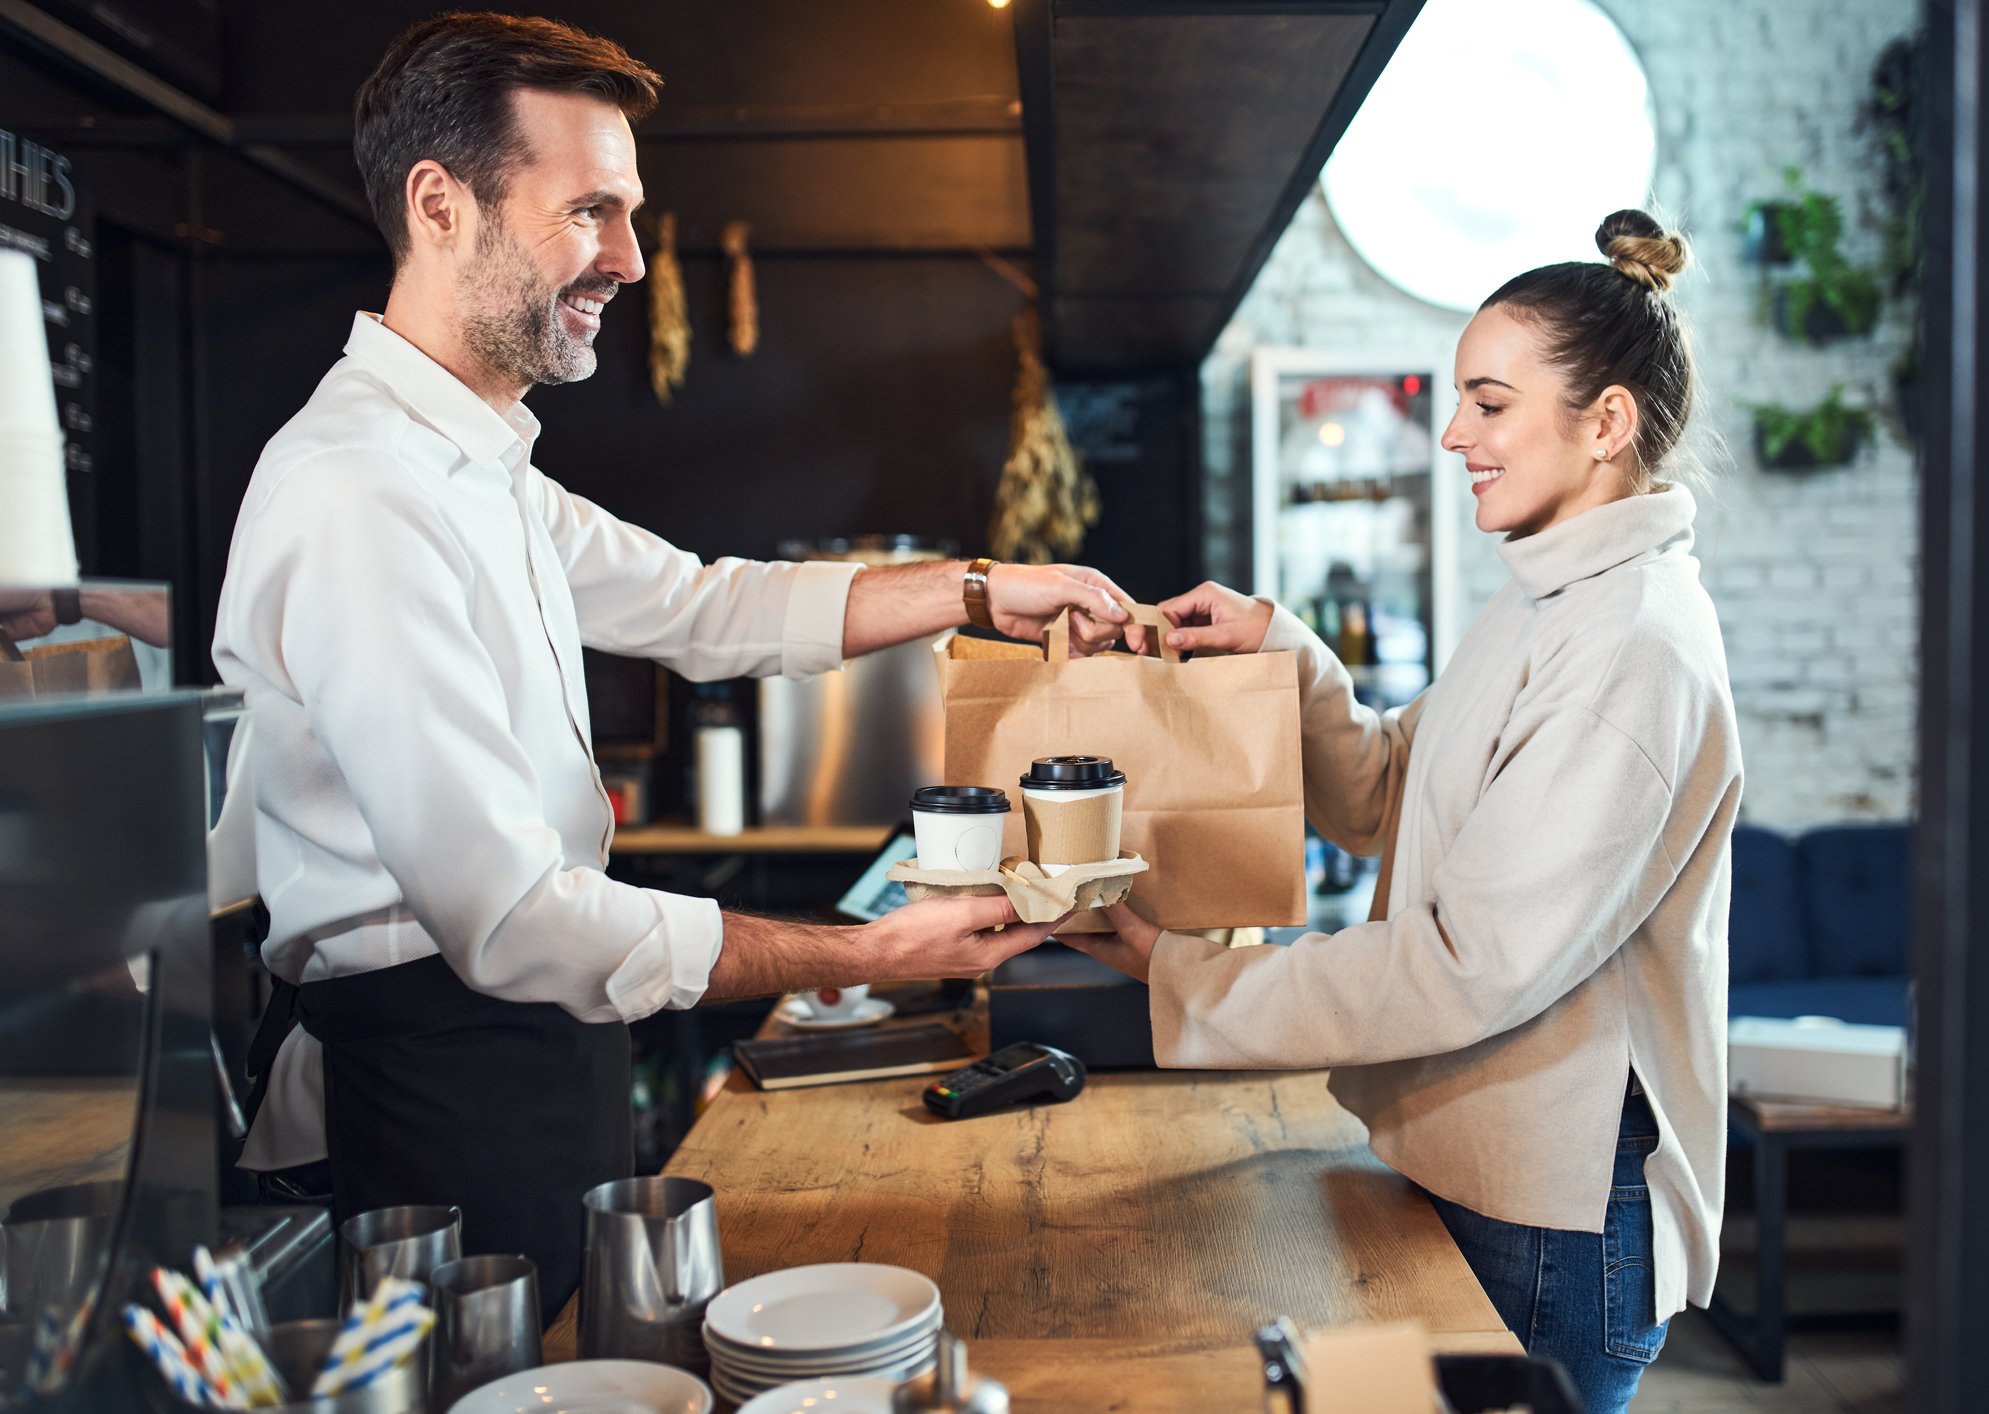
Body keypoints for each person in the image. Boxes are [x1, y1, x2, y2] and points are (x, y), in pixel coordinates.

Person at [213, 12, 1134, 1321]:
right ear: (440, 205)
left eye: (630, 213)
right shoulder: (360, 491)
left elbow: (709, 606)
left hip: (531, 1059)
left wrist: (983, 588)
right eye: (589, 210)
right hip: (433, 1090)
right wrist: (865, 949)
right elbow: (512, 917)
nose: (631, 260)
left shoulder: (482, 468)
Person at [1066, 211, 1740, 1411]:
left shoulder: (1628, 644)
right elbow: (1385, 791)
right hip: (1482, 1169)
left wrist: (1185, 969)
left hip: (1553, 1215)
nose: (1451, 435)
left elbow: (1466, 963)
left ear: (1605, 424)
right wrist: (1283, 649)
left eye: (1487, 403)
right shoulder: (1545, 601)